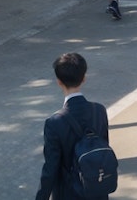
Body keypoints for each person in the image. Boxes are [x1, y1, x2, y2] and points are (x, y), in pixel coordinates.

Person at [35, 52, 110, 200]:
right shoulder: (99, 110)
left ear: (59, 82)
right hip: (97, 188)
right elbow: (103, 148)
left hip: (68, 193)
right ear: (84, 78)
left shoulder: (54, 123)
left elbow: (51, 168)